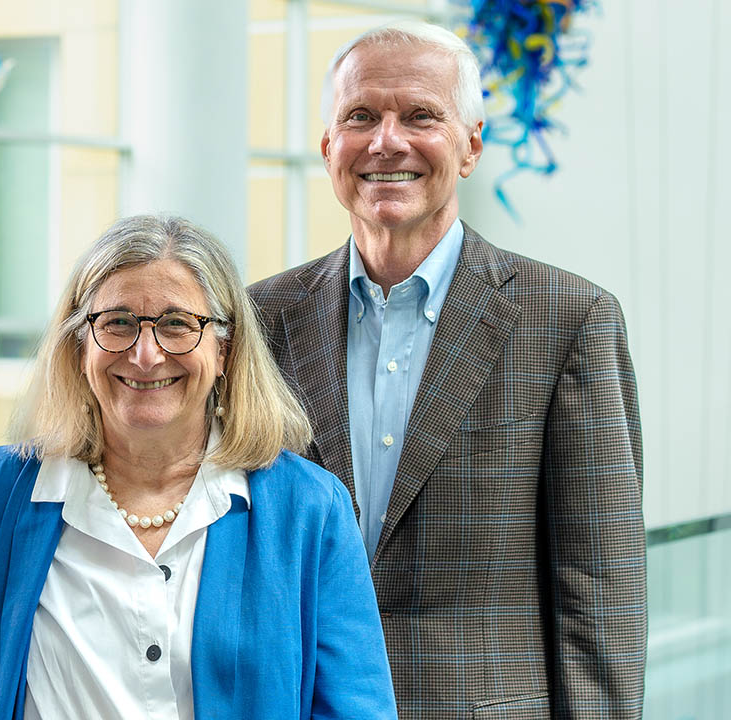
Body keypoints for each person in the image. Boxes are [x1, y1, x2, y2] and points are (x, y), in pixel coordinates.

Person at [248, 21, 647, 720]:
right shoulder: (259, 320)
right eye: (360, 117)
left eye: (421, 116)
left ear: (472, 146)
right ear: (327, 148)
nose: (386, 141)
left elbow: (600, 588)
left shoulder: (570, 321)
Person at [0, 214, 397, 720]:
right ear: (79, 348)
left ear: (224, 350)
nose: (145, 355)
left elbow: (356, 709)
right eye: (116, 322)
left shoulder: (309, 510)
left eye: (177, 325)